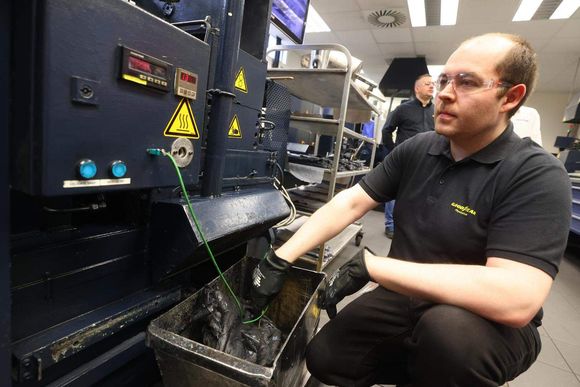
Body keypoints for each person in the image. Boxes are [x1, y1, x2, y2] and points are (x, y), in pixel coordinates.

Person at [250, 32, 571, 386]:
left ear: (510, 97)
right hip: (409, 295)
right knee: (327, 357)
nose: (444, 93)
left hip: (484, 323)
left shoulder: (535, 173)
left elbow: (515, 298)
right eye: (444, 80)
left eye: (467, 83)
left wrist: (374, 267)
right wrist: (281, 256)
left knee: (449, 339)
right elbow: (353, 201)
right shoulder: (420, 148)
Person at [382, 74, 435, 238]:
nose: (432, 86)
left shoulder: (437, 110)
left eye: (433, 84)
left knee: (422, 193)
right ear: (417, 88)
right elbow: (386, 130)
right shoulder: (403, 109)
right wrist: (393, 150)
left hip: (430, 159)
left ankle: (412, 225)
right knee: (395, 192)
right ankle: (390, 225)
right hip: (405, 158)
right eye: (427, 84)